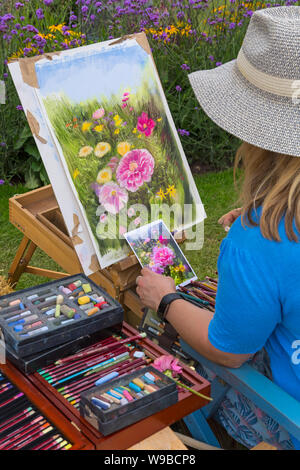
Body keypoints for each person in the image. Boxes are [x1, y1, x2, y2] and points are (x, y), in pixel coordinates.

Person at [136, 6, 300, 450]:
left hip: (292, 417)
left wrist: (165, 299)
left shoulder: (263, 240)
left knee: (187, 354)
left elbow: (229, 350)